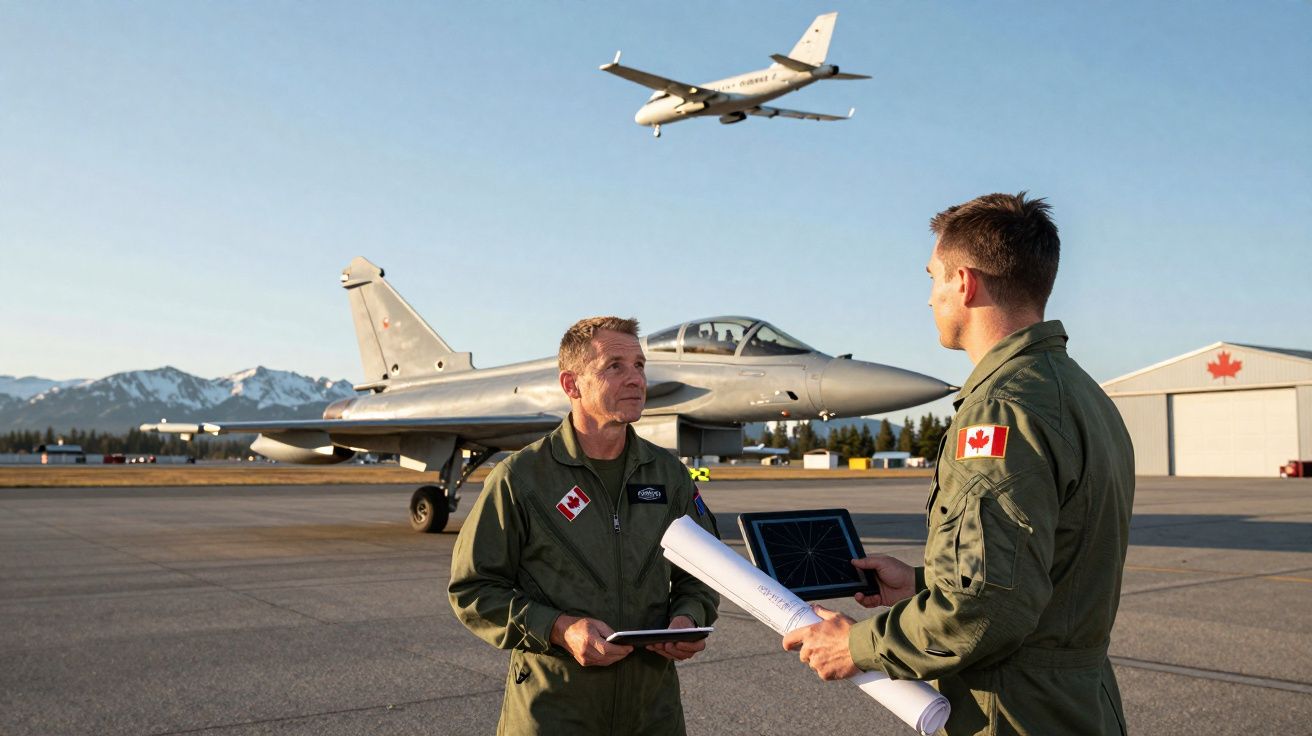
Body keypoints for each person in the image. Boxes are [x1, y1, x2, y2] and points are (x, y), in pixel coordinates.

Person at [783, 192, 1135, 735]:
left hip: (1014, 714)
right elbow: (1039, 571)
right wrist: (925, 584)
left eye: (932, 278)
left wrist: (854, 644)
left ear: (965, 283)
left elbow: (985, 607)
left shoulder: (1000, 410)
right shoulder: (1079, 393)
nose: (928, 299)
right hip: (1081, 704)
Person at [449, 316, 720, 736]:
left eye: (640, 365)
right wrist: (559, 628)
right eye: (615, 366)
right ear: (571, 385)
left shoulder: (669, 475)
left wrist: (688, 616)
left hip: (653, 714)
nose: (635, 379)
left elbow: (704, 575)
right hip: (554, 713)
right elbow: (473, 590)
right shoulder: (521, 479)